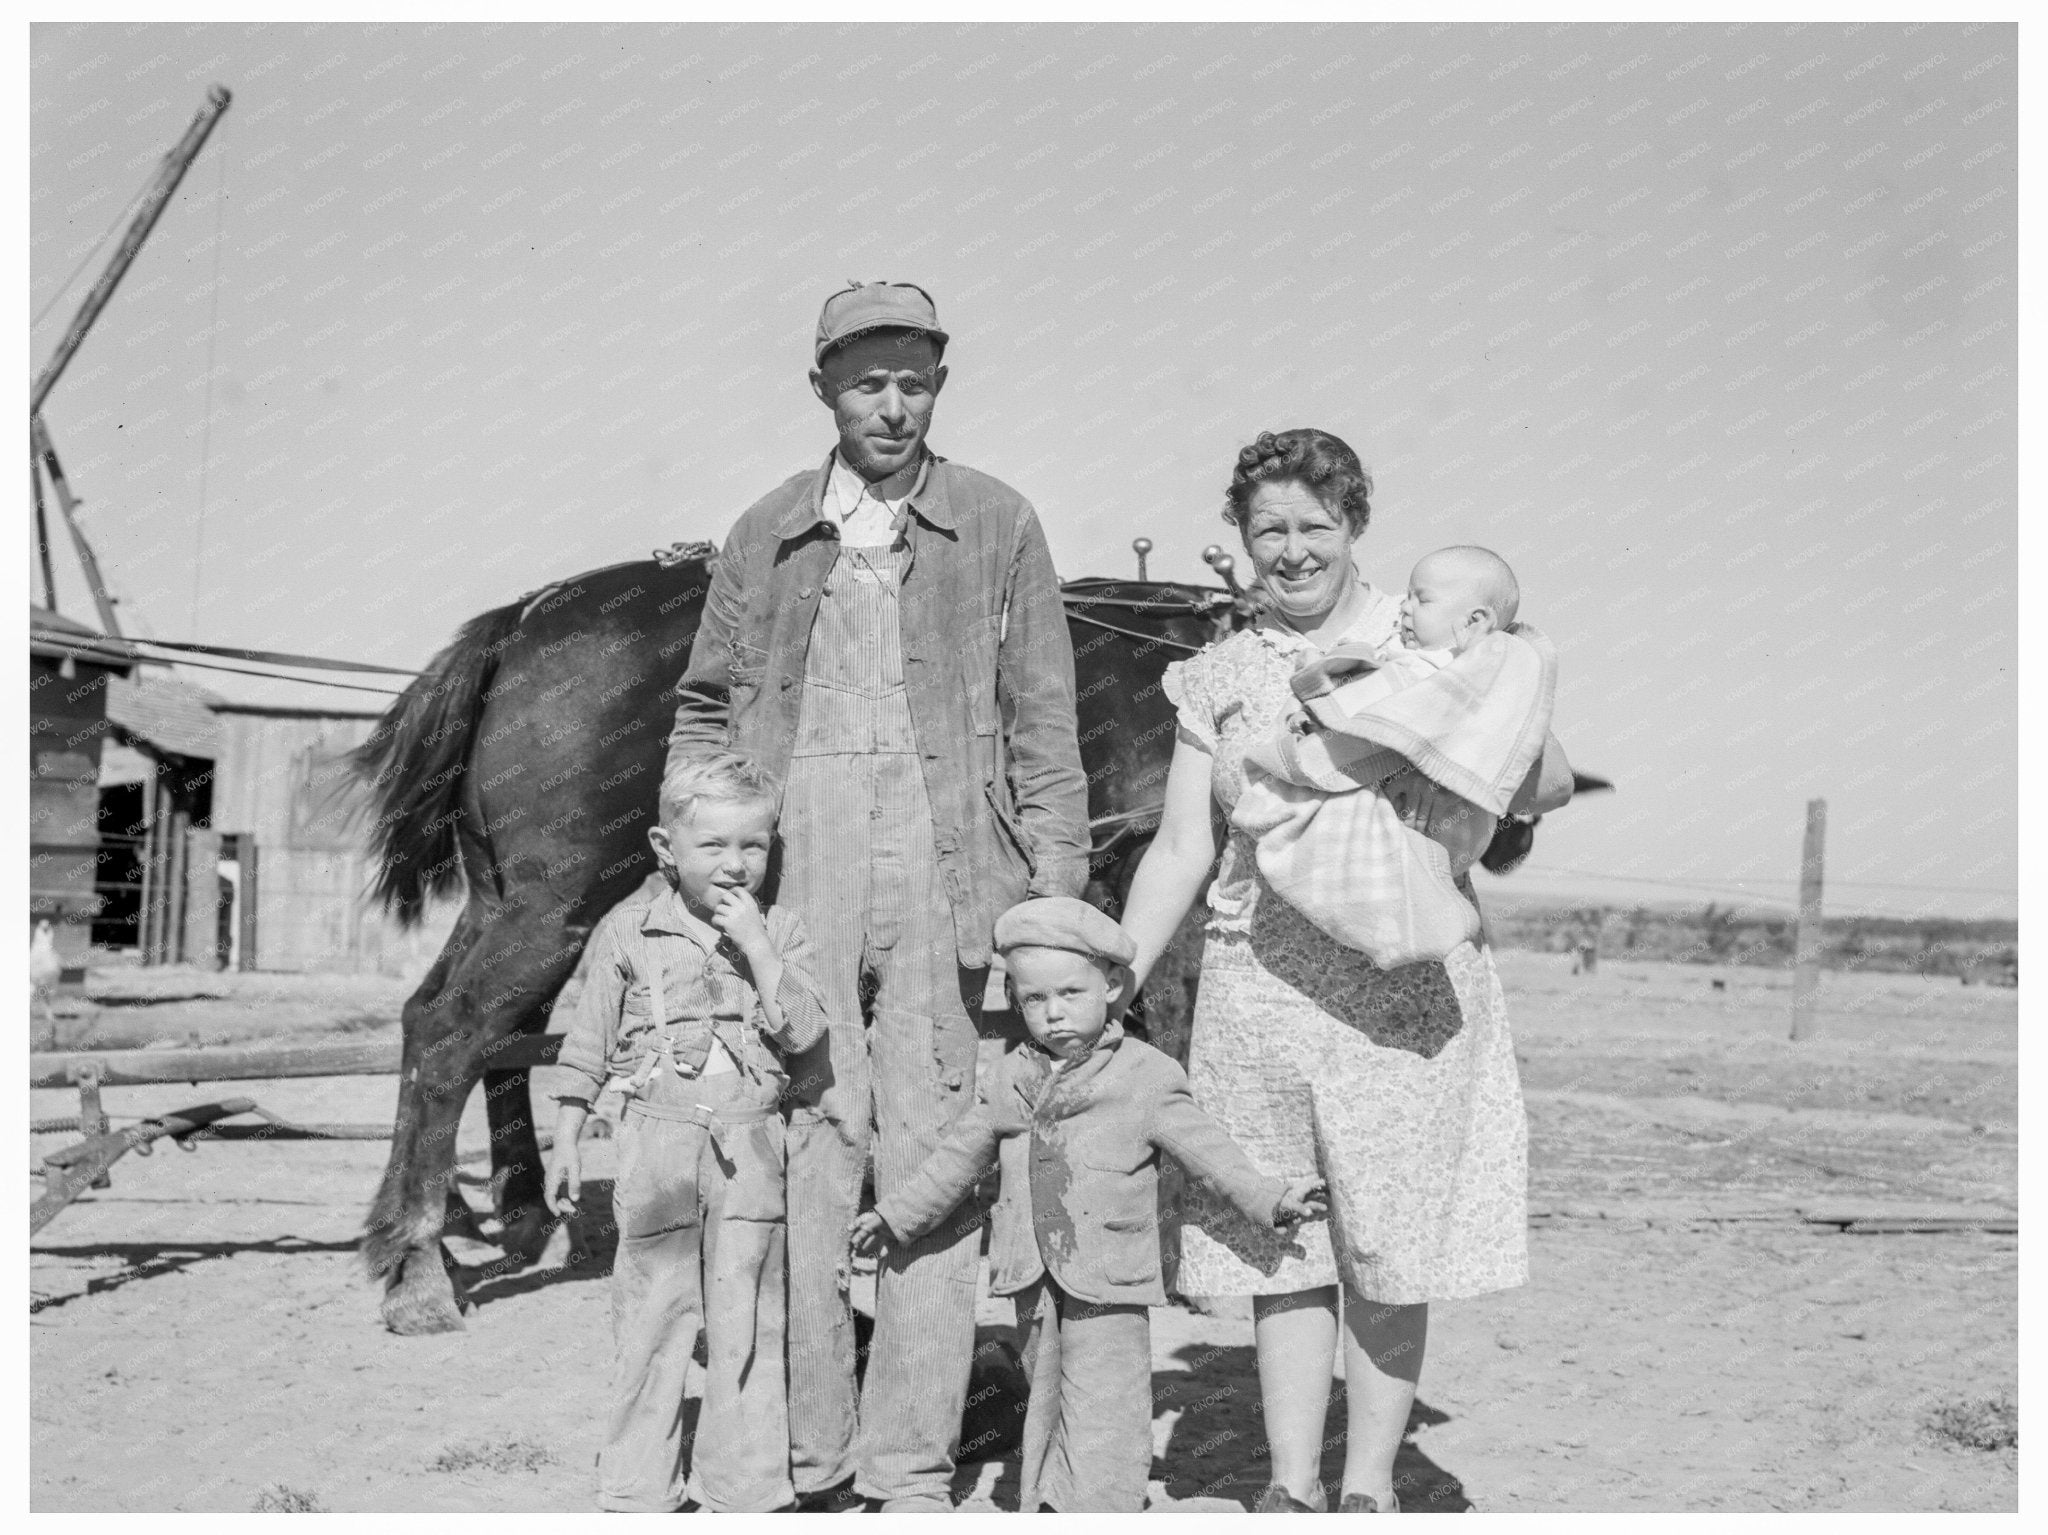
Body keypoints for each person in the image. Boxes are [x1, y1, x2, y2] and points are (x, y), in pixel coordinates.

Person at [664, 282, 1090, 1510]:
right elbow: (704, 705)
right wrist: (703, 870)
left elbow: (1043, 723)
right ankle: (814, 1457)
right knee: (808, 1147)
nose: (891, 405)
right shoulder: (765, 532)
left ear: (939, 388)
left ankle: (909, 1465)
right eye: (867, 382)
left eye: (913, 381)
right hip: (799, 874)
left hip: (955, 869)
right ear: (823, 390)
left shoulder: (997, 521)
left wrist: (1048, 898)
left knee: (937, 1157)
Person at [1118, 429, 1574, 1514]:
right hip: (1253, 987)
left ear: (1353, 526)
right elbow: (1183, 845)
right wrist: (1118, 974)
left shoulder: (1433, 634)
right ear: (1239, 536)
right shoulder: (1219, 672)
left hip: (1399, 994)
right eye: (1266, 528)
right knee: (1280, 1238)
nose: (1288, 550)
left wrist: (1484, 694)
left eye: (1312, 525)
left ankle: (1365, 1488)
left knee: (1386, 1244)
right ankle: (1289, 1486)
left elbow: (1539, 779)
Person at [847, 897, 1327, 1513]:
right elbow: (956, 1159)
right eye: (1033, 1000)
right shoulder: (1010, 1077)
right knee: (1043, 1386)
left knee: (1106, 1392)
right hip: (1030, 1269)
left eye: (1070, 993)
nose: (1052, 1015)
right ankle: (1050, 1499)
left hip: (1111, 1269)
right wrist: (897, 1217)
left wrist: (1272, 1198)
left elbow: (1210, 1153)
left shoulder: (1146, 1076)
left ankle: (1103, 1506)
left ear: (1113, 985)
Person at [546, 753, 829, 1513]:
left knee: (746, 1316)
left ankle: (742, 1487)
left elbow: (805, 1033)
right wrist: (569, 1138)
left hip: (749, 1148)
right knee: (651, 1315)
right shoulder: (628, 929)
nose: (737, 865)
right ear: (665, 849)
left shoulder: (786, 931)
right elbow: (587, 1042)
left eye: (755, 847)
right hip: (655, 1144)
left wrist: (760, 947)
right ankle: (639, 1485)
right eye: (715, 847)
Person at [1231, 545, 1563, 968]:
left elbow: (1486, 738)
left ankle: (1401, 927)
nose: (1404, 609)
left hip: (1449, 823)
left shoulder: (1467, 675)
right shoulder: (1404, 657)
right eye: (1406, 596)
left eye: (1421, 600)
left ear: (1474, 621)